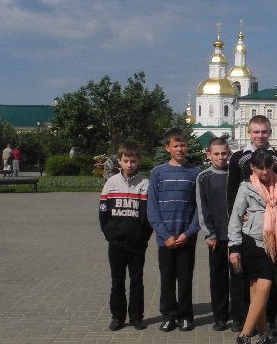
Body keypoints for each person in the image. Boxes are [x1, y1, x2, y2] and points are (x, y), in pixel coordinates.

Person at [227, 115, 277, 336]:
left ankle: (269, 321)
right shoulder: (238, 157)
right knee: (246, 280)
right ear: (249, 133)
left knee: (267, 282)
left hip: (273, 230)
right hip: (249, 229)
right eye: (256, 132)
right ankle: (242, 318)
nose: (260, 136)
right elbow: (232, 190)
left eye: (264, 132)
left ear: (269, 133)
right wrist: (239, 217)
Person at [147, 128, 200, 332]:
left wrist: (189, 233)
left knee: (185, 279)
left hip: (187, 237)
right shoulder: (158, 173)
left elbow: (200, 208)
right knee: (167, 278)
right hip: (166, 239)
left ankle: (186, 315)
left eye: (183, 145)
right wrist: (165, 235)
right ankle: (169, 315)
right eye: (175, 146)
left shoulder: (195, 173)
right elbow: (152, 208)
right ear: (167, 148)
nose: (180, 149)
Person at [99, 140, 153, 331]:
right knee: (117, 280)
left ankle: (137, 317)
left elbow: (149, 216)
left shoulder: (145, 184)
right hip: (116, 243)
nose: (129, 165)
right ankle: (118, 317)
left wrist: (143, 236)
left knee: (137, 280)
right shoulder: (111, 183)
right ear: (119, 162)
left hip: (137, 243)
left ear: (139, 161)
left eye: (133, 161)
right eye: (126, 161)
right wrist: (110, 234)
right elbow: (103, 212)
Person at [196, 138, 233, 331]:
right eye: (216, 154)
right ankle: (220, 316)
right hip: (216, 236)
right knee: (218, 277)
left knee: (238, 276)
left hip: (236, 235)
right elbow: (202, 207)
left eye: (224, 153)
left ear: (229, 153)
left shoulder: (235, 174)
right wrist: (209, 234)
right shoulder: (204, 177)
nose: (221, 157)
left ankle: (239, 315)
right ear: (209, 155)